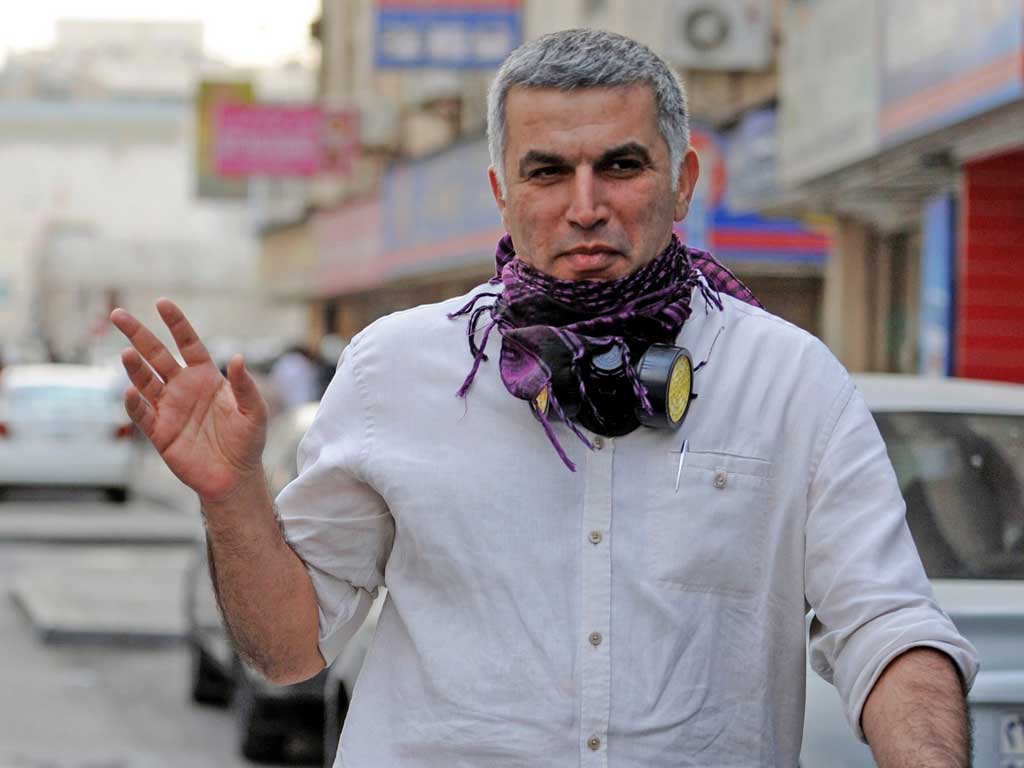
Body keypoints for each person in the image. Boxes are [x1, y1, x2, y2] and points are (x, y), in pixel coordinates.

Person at [111, 29, 977, 768]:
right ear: (501, 190)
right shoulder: (393, 369)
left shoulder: (789, 379)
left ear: (684, 180)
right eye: (547, 171)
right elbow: (287, 650)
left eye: (622, 166)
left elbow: (887, 625)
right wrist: (234, 501)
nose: (585, 206)